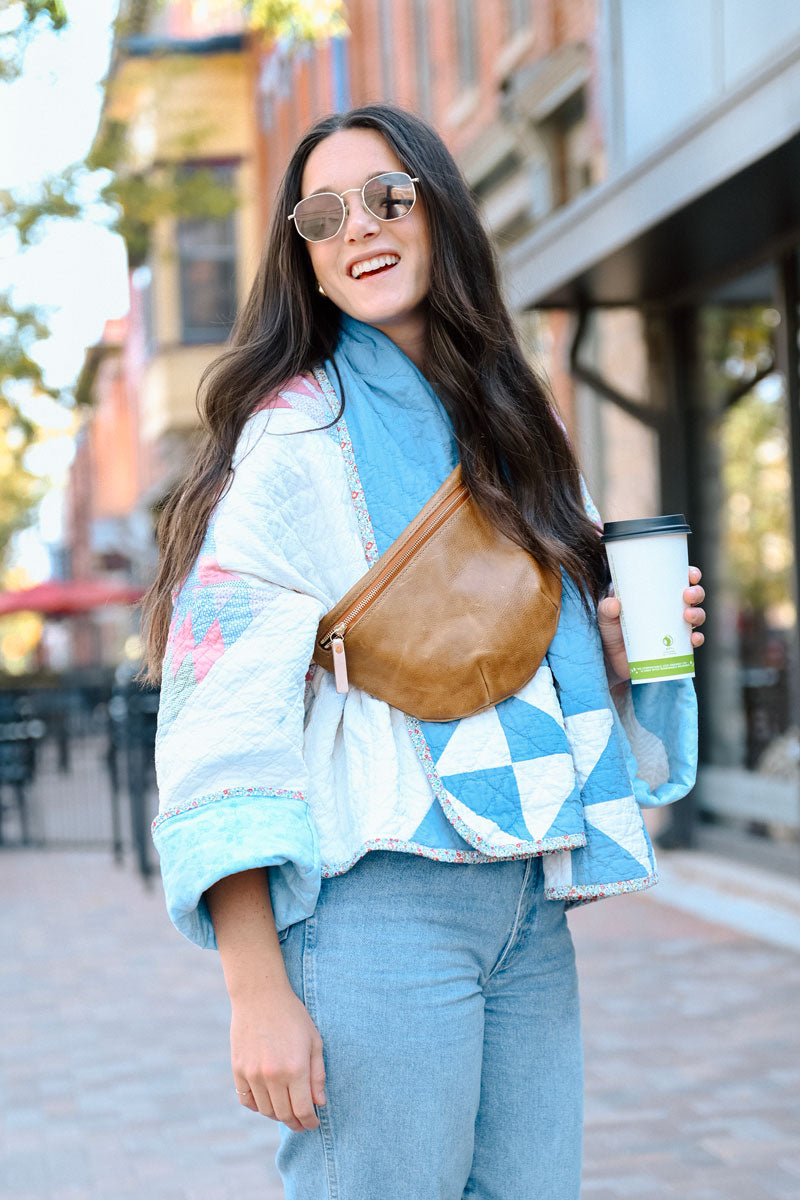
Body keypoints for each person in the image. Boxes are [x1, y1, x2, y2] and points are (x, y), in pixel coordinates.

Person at [140, 103, 705, 1200]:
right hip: (376, 907)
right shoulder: (296, 435)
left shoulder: (508, 422)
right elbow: (218, 717)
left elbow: (503, 644)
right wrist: (255, 987)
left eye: (387, 196)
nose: (358, 226)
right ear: (303, 261)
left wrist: (612, 640)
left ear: (438, 211)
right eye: (322, 213)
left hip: (524, 909)